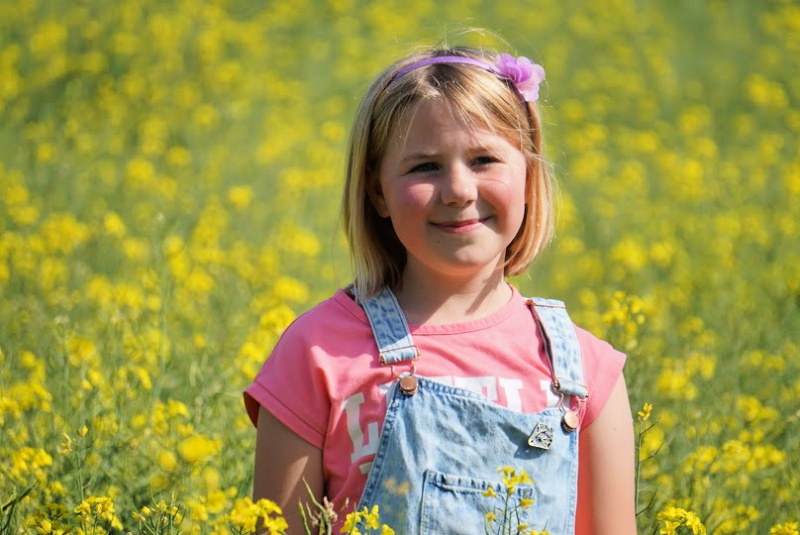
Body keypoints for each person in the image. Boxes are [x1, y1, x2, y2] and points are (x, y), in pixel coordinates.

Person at [245, 46, 636, 534]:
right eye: (425, 166)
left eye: (484, 159)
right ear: (377, 192)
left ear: (530, 176)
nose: (458, 190)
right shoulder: (316, 353)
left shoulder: (584, 370)